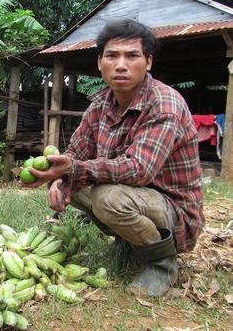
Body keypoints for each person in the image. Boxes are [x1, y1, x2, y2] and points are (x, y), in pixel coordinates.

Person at [20, 19, 204, 298]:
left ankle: (161, 261)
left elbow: (139, 170)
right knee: (75, 184)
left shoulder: (165, 103)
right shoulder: (100, 106)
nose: (121, 65)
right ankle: (129, 239)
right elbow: (77, 155)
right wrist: (58, 179)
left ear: (149, 62)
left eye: (132, 56)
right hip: (136, 198)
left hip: (173, 211)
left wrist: (73, 169)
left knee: (107, 197)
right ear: (99, 62)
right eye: (112, 55)